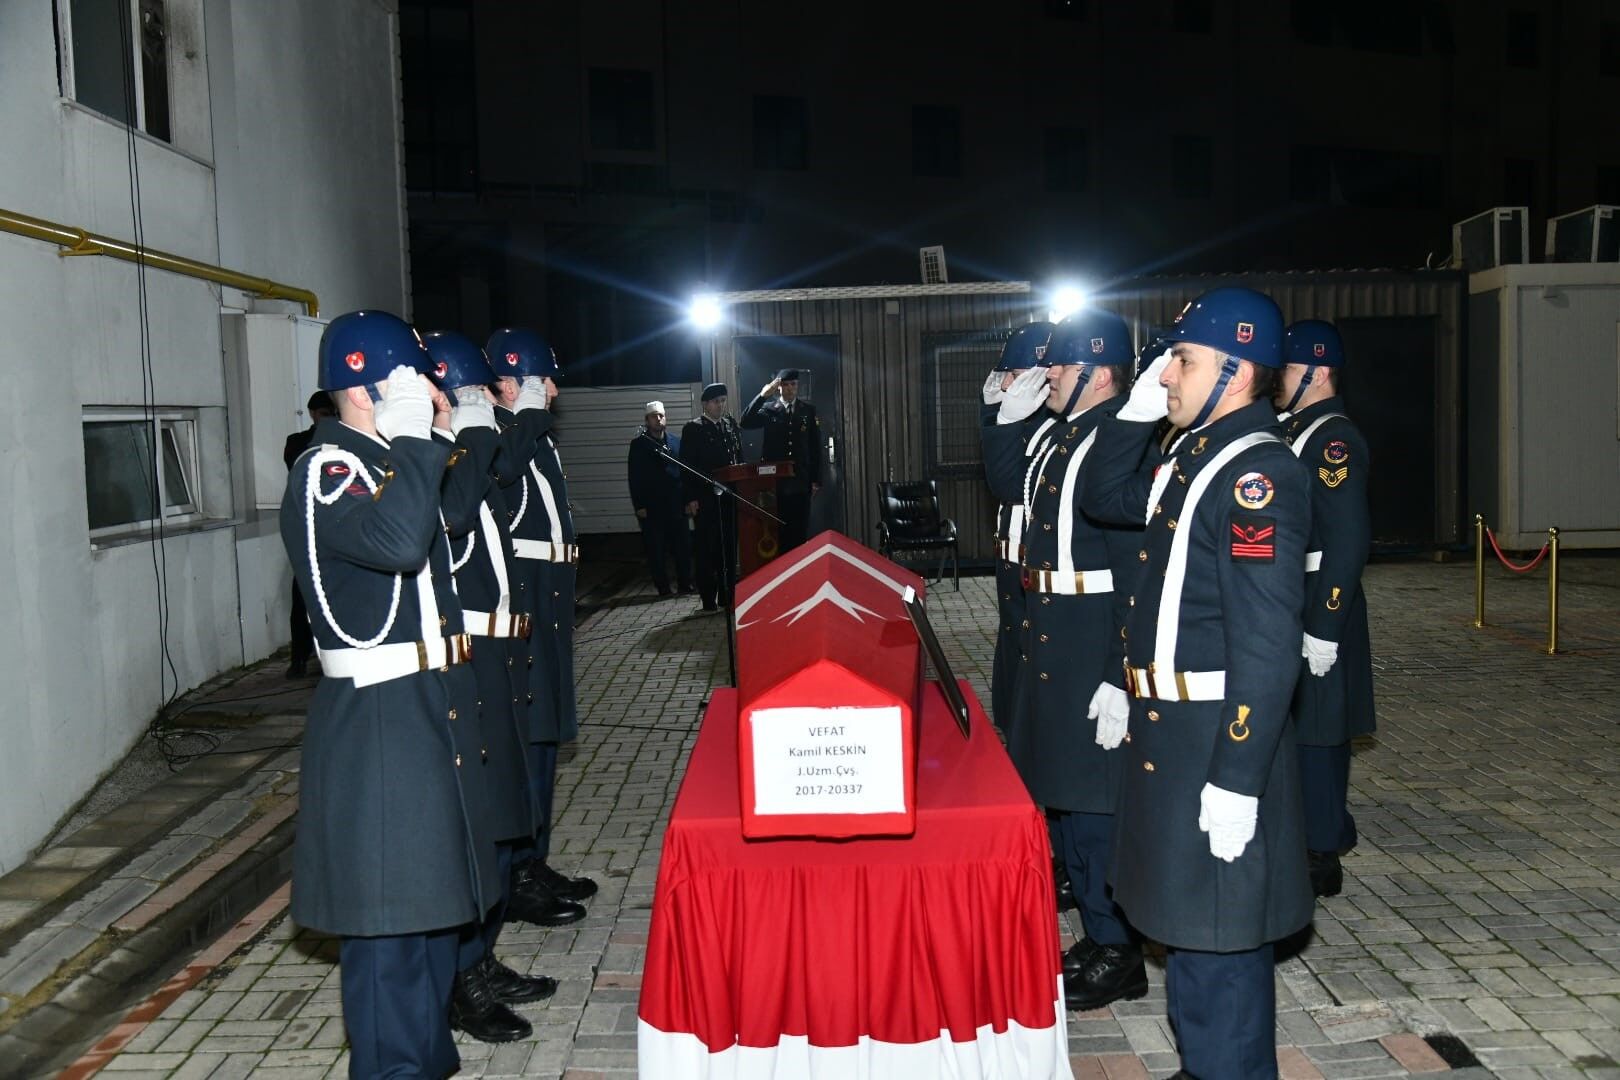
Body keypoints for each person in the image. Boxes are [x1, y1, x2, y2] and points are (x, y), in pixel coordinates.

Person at [1080, 287, 1314, 1079]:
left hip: (1214, 736)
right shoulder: (1193, 455)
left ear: (1236, 370)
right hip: (1166, 727)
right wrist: (1138, 413)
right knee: (1187, 926)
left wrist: (1239, 778)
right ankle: (1203, 1066)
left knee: (1219, 941)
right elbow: (1105, 498)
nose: (1166, 373)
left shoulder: (1258, 476)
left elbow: (1267, 638)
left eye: (1182, 360)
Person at [280, 310, 500, 1079]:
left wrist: (438, 438)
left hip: (421, 707)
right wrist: (412, 437)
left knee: (433, 918)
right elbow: (402, 544)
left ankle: (427, 1063)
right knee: (391, 938)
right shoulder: (328, 469)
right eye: (412, 380)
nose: (431, 395)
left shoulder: (384, 465)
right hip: (376, 723)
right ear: (368, 386)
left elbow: (451, 518)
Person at [987, 310, 1147, 1011]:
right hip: (1055, 629)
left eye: (1062, 363)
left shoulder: (1120, 441)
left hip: (1092, 638)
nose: (1048, 371)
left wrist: (1121, 671)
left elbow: (1137, 573)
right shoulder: (1066, 434)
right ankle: (1095, 928)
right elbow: (1009, 489)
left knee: (1094, 804)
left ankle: (1119, 948)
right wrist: (1001, 422)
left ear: (1102, 372)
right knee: (1068, 797)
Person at [425, 331, 560, 1043]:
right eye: (468, 395)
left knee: (500, 818)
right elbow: (478, 484)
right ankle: (465, 979)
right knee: (478, 831)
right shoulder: (446, 465)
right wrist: (482, 421)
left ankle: (480, 962)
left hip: (494, 652)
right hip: (468, 660)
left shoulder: (461, 458)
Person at [486, 327, 599, 927]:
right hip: (525, 595)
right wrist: (523, 411)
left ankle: (535, 857)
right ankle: (518, 875)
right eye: (540, 380)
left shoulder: (534, 434)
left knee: (548, 731)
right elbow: (502, 476)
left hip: (549, 594)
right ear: (510, 382)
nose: (552, 391)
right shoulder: (499, 437)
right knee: (529, 733)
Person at [1277, 319, 1374, 898]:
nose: (1277, 380)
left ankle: (1320, 853)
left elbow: (1347, 538)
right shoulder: (1298, 431)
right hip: (1295, 596)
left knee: (1319, 729)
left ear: (1316, 371)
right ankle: (1319, 828)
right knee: (1302, 723)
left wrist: (1325, 624)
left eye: (1287, 368)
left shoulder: (1331, 438)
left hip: (1320, 600)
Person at [979, 321, 1055, 735]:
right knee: (1011, 653)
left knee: (1026, 660)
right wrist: (991, 411)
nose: (1004, 383)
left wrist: (1002, 418)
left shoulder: (1048, 431)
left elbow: (1006, 484)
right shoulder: (1025, 423)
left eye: (1012, 374)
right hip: (1011, 559)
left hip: (1033, 563)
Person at [282, 391, 335, 678]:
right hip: (307, 523)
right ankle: (299, 657)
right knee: (302, 592)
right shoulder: (299, 442)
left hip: (336, 522)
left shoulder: (341, 438)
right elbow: (299, 466)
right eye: (322, 413)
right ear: (313, 413)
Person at [739, 369, 822, 551]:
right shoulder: (769, 409)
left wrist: (816, 479)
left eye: (794, 384)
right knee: (778, 531)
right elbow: (745, 421)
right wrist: (762, 395)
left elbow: (815, 447)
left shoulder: (807, 411)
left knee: (799, 531)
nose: (791, 388)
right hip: (776, 482)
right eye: (786, 384)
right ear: (778, 388)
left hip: (801, 480)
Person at [679, 383, 743, 612]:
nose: (720, 405)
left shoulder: (730, 425)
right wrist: (690, 498)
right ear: (705, 404)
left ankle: (728, 597)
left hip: (728, 497)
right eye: (716, 401)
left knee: (728, 549)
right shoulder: (694, 429)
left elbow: (739, 460)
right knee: (706, 550)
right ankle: (708, 599)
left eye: (723, 401)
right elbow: (686, 467)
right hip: (705, 498)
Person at [628, 401, 694, 596]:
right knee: (656, 551)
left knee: (683, 548)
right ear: (647, 420)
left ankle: (685, 584)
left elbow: (684, 473)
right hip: (652, 506)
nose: (658, 419)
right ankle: (663, 588)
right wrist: (639, 505)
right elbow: (634, 476)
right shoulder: (640, 444)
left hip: (676, 504)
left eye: (661, 415)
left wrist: (688, 500)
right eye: (654, 416)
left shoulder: (676, 442)